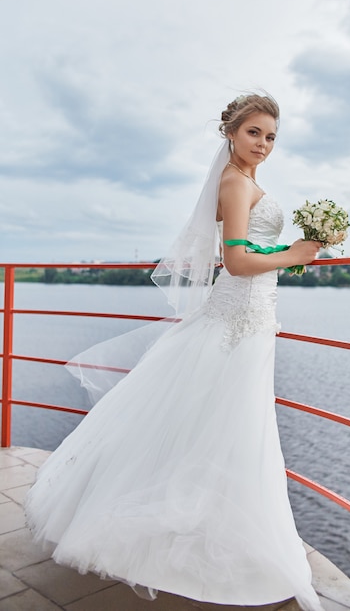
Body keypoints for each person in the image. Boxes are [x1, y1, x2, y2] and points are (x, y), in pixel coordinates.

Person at [25, 94, 323, 610]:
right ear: (231, 132)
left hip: (250, 321)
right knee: (231, 426)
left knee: (223, 427)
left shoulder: (244, 181)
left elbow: (252, 251)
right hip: (237, 320)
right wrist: (298, 252)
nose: (264, 144)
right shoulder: (234, 181)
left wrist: (285, 255)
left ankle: (216, 527)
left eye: (272, 136)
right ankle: (192, 536)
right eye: (255, 132)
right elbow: (233, 261)